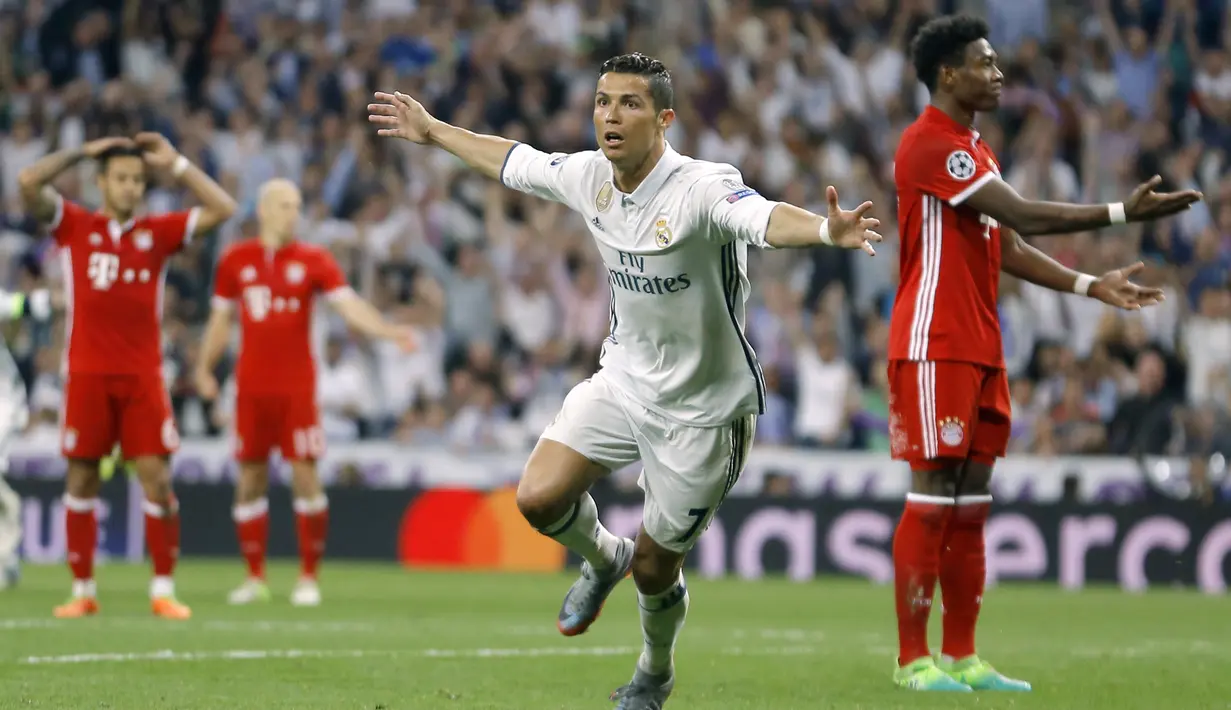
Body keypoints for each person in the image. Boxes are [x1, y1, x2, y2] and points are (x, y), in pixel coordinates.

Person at [369, 53, 881, 709]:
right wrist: (434, 130)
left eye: (629, 103)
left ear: (663, 118)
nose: (610, 115)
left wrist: (820, 229)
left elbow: (759, 217)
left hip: (704, 411)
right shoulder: (589, 176)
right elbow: (512, 160)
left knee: (655, 567)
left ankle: (653, 672)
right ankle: (599, 555)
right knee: (537, 498)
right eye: (603, 101)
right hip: (625, 380)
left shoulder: (700, 186)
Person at [888, 15, 1201, 692]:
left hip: (980, 344)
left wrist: (1089, 284)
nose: (998, 74)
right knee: (933, 492)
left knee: (972, 500)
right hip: (932, 343)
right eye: (984, 62)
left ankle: (963, 656)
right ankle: (913, 660)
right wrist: (1119, 213)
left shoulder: (975, 152)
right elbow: (1026, 215)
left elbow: (1005, 244)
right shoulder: (929, 145)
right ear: (948, 74)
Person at [18, 133, 238, 619]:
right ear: (101, 183)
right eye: (121, 178)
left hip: (142, 377)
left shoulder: (157, 233)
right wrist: (80, 152)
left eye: (138, 180)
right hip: (88, 375)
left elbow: (225, 208)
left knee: (157, 481)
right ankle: (82, 592)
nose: (131, 188)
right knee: (81, 479)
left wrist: (177, 164)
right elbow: (28, 181)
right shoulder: (75, 225)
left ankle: (163, 589)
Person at [194, 178, 415, 608]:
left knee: (305, 477)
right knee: (250, 480)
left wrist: (388, 332)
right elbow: (220, 322)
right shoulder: (235, 262)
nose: (292, 213)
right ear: (263, 210)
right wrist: (203, 368)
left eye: (296, 205)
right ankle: (254, 578)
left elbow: (348, 305)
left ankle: (308, 577)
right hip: (251, 390)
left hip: (296, 389)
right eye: (283, 205)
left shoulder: (313, 260)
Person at [0, 287, 53, 589]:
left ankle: (5, 558)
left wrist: (40, 302)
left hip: (3, 401)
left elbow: (21, 305)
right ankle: (6, 557)